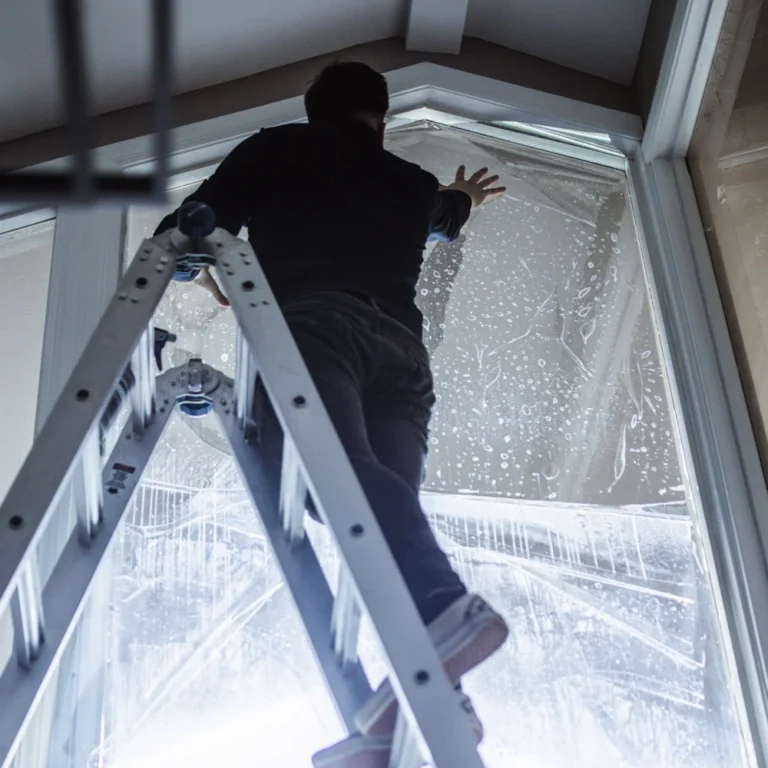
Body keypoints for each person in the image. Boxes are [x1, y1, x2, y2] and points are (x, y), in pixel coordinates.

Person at [155, 61, 509, 767]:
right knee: (376, 510)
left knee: (337, 482)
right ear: (380, 120)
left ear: (313, 113)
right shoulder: (410, 184)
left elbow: (188, 231)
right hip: (402, 358)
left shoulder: (276, 150)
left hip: (321, 332)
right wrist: (465, 195)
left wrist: (211, 267)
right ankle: (430, 690)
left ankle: (444, 606)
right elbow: (448, 217)